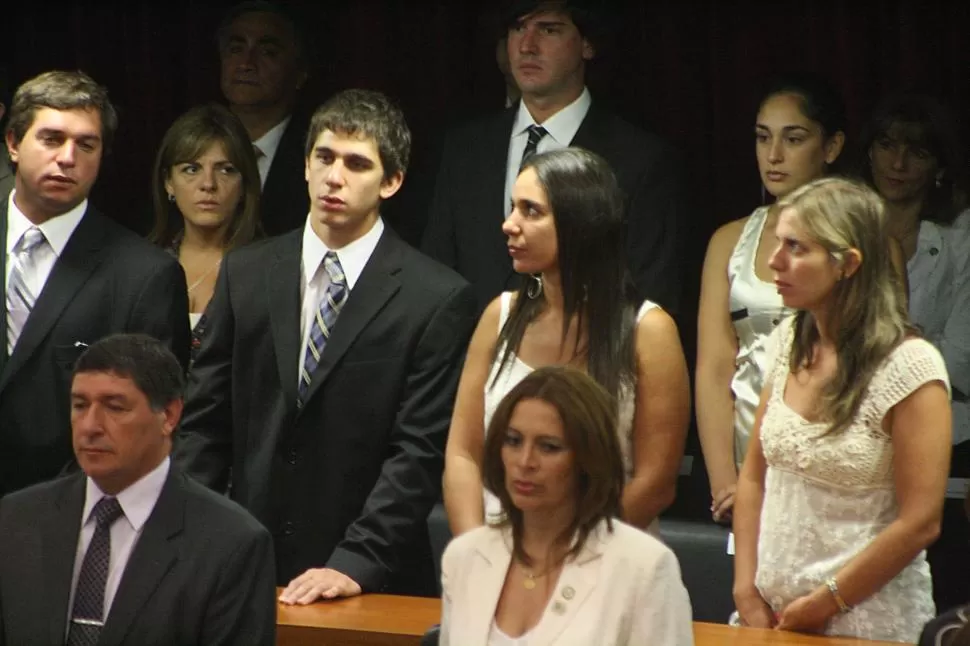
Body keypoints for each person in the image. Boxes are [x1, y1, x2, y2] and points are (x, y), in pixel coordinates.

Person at [175, 89, 478, 600]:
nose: (335, 177)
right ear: (306, 166)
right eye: (325, 157)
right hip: (247, 560)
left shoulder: (437, 297)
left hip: (370, 571)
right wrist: (189, 538)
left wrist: (356, 561)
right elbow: (205, 425)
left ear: (393, 181)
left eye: (357, 164)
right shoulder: (247, 272)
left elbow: (418, 452)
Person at [733, 177, 952, 642]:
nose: (774, 262)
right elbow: (753, 477)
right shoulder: (788, 339)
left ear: (847, 264)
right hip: (771, 615)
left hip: (867, 620)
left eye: (796, 247)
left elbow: (920, 522)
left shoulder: (910, 367)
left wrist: (823, 603)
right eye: (778, 243)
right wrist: (746, 591)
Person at [443, 147, 690, 536]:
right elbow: (462, 454)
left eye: (531, 211)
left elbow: (655, 483)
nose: (509, 224)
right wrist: (474, 553)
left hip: (604, 560)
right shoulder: (500, 316)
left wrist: (560, 558)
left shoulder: (649, 331)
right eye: (512, 207)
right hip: (496, 556)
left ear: (581, 223)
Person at [0, 334, 276, 646]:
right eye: (80, 405)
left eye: (114, 407)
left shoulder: (231, 545)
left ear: (169, 416)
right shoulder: (16, 520)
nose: (90, 426)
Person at [422, 0, 688, 320]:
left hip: (586, 362)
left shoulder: (640, 160)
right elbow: (436, 279)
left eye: (548, 29)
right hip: (475, 360)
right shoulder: (465, 147)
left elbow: (648, 299)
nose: (527, 46)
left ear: (587, 44)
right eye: (518, 28)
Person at [0, 70, 190, 498]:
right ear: (13, 143)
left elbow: (143, 422)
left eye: (86, 145)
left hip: (68, 513)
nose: (68, 157)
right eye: (51, 139)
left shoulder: (144, 275)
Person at [440, 366, 694, 645]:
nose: (525, 462)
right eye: (513, 441)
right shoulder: (464, 557)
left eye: (548, 447)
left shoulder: (644, 567)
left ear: (588, 458)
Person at [696, 73, 846, 524]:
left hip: (833, 466)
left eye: (793, 138)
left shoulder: (867, 240)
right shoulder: (729, 239)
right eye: (763, 138)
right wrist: (725, 480)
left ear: (832, 146)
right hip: (746, 459)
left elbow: (871, 362)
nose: (774, 155)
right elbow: (714, 366)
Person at [855, 93, 970, 612]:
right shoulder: (843, 220)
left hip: (947, 435)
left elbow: (963, 359)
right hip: (856, 433)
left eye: (917, 153)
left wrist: (893, 347)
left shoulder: (962, 236)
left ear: (940, 164)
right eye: (886, 145)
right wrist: (915, 338)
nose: (897, 164)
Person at [150, 103, 261, 364]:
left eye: (226, 170)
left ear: (245, 184)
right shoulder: (141, 266)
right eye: (192, 169)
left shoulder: (267, 270)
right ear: (168, 182)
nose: (208, 184)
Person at [218, 0, 310, 236]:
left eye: (267, 52)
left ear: (299, 73)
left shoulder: (316, 157)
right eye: (236, 49)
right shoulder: (191, 145)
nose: (246, 64)